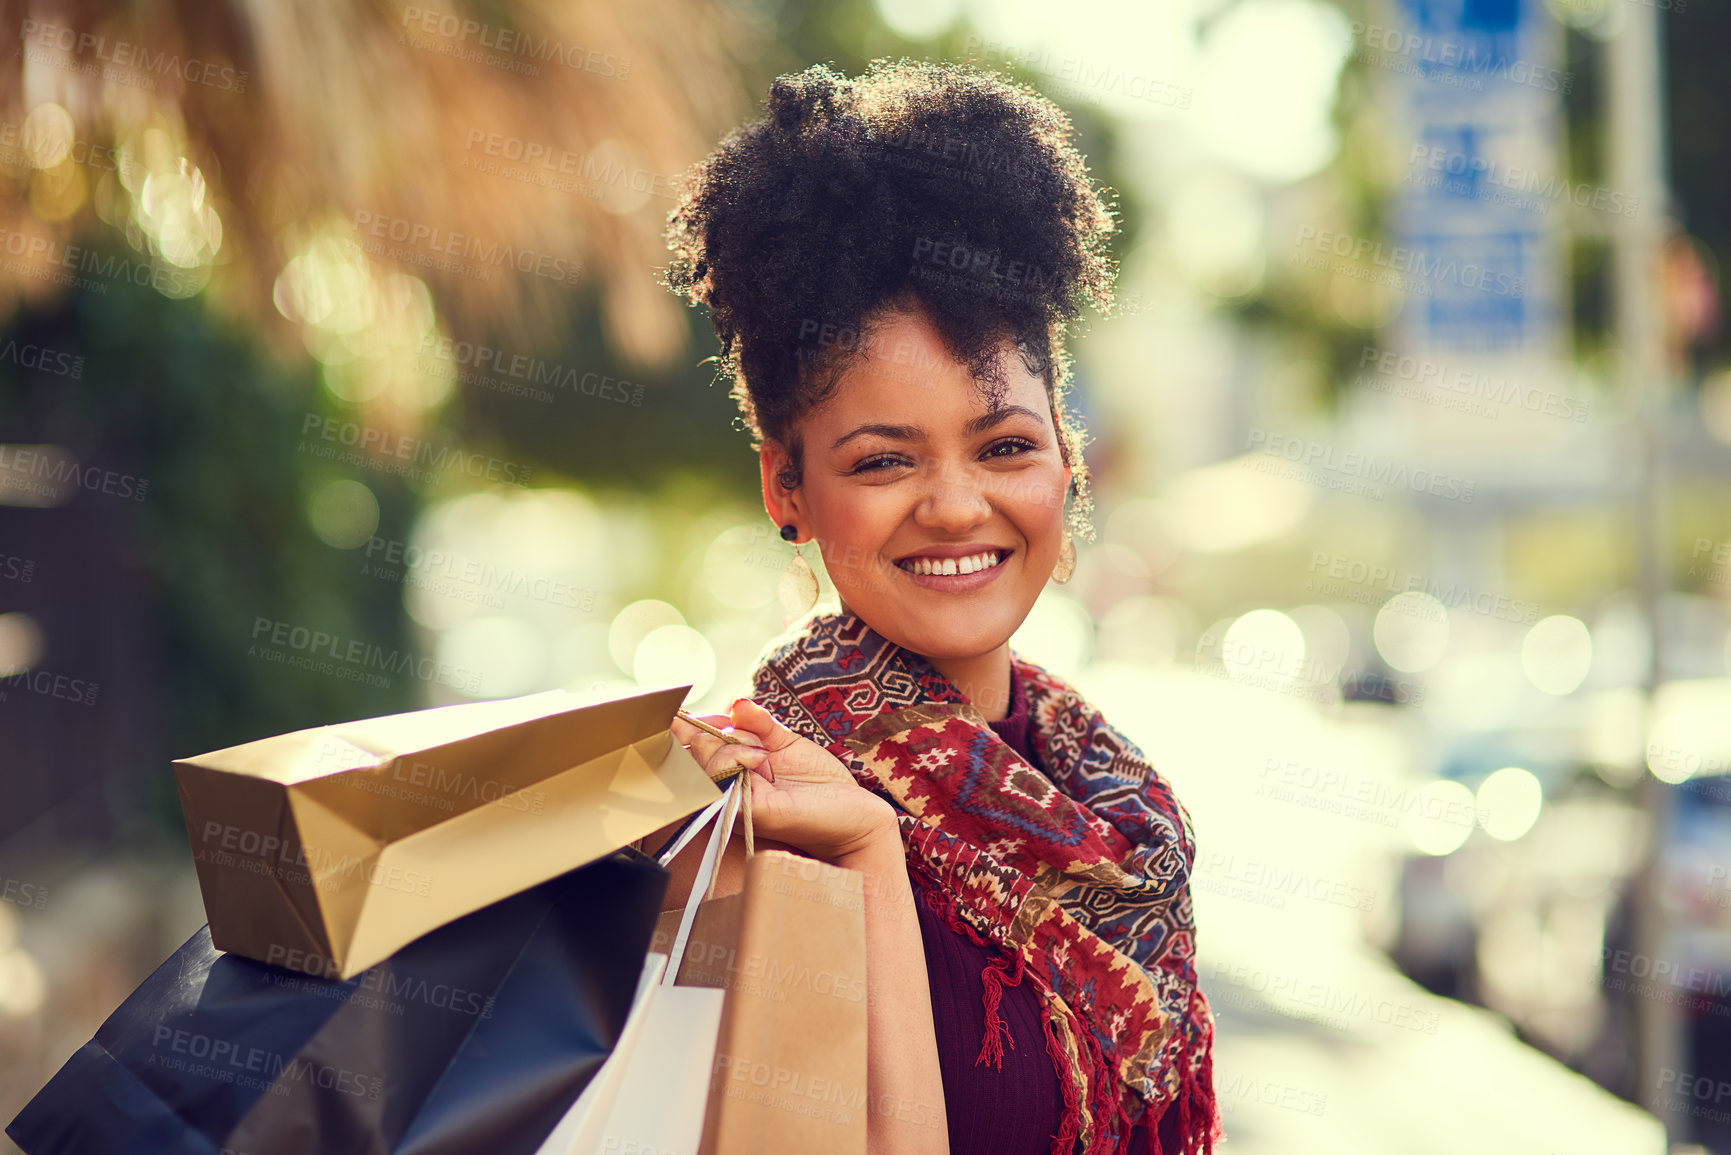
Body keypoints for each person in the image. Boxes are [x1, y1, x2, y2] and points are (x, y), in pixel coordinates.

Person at [653, 60, 1219, 1155]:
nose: (957, 507)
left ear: (1069, 459)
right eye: (881, 462)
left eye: (1005, 445)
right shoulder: (757, 816)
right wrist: (870, 860)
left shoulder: (1118, 805)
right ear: (787, 488)